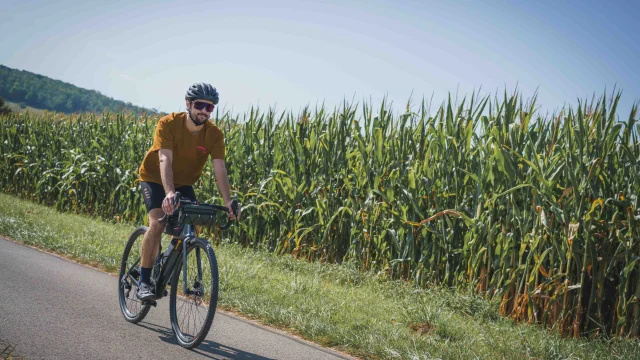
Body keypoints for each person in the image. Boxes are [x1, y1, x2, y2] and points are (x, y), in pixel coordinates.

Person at [136, 82, 236, 300]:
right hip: (154, 177)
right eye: (200, 105)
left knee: (191, 225)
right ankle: (143, 282)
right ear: (188, 104)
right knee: (158, 223)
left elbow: (220, 168)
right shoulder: (169, 123)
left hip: (184, 184)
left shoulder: (214, 134)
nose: (204, 111)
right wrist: (169, 193)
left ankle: (165, 260)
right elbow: (165, 159)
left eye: (210, 108)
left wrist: (228, 202)